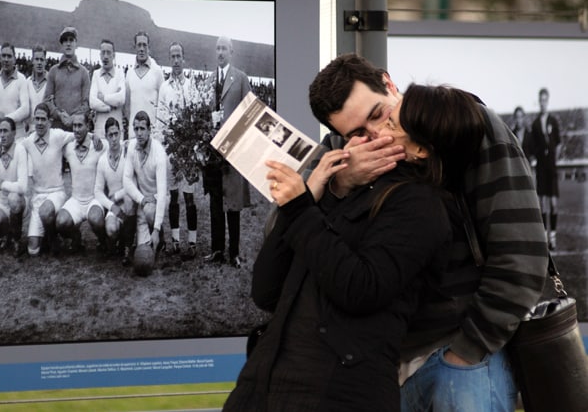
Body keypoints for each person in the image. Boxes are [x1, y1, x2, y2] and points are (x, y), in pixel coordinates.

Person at [224, 83, 490, 410]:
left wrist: (300, 208)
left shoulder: (424, 208)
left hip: (337, 393)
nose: (370, 135)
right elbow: (265, 290)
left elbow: (361, 288)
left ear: (421, 150)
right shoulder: (349, 184)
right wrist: (317, 192)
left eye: (388, 123)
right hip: (261, 387)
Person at [307, 54, 547, 412]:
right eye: (356, 132)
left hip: (462, 352)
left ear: (389, 85)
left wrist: (466, 351)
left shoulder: (468, 125)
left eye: (378, 115)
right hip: (375, 365)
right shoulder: (338, 154)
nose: (376, 136)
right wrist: (341, 184)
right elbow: (285, 232)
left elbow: (521, 254)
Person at [21, 102, 101, 256]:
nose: (39, 123)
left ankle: (53, 240)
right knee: (33, 250)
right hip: (38, 196)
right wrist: (1, 148)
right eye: (36, 119)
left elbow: (78, 134)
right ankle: (45, 235)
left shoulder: (57, 135)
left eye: (43, 119)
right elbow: (16, 146)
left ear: (50, 121)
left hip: (56, 193)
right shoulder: (29, 141)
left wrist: (93, 135)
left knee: (46, 212)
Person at [202, 36, 252, 267]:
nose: (220, 52)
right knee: (215, 202)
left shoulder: (240, 79)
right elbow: (203, 114)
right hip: (212, 151)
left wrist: (234, 139)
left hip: (233, 150)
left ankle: (234, 252)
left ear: (231, 52)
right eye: (218, 48)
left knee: (232, 203)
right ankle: (217, 250)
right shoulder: (209, 79)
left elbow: (249, 114)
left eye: (224, 48)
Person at [156, 42, 200, 260]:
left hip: (189, 152)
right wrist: (165, 148)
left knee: (189, 198)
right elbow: (160, 122)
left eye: (178, 56)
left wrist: (193, 145)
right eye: (172, 56)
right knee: (173, 197)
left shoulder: (192, 86)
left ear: (184, 59)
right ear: (169, 59)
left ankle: (192, 242)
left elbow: (198, 118)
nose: (175, 60)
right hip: (172, 150)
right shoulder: (164, 88)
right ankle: (174, 240)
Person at [56, 113, 109, 254]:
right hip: (76, 200)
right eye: (74, 125)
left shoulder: (98, 145)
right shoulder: (68, 148)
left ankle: (104, 241)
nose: (76, 129)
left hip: (95, 199)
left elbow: (118, 145)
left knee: (96, 219)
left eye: (80, 125)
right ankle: (76, 238)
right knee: (60, 222)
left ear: (88, 126)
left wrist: (93, 136)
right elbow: (52, 141)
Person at [122, 111, 168, 264]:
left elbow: (162, 194)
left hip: (156, 200)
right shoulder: (132, 147)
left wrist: (155, 229)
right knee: (127, 200)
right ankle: (127, 246)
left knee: (149, 212)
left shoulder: (159, 153)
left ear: (149, 130)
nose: (139, 133)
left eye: (142, 129)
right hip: (142, 199)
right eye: (136, 129)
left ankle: (159, 238)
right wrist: (141, 199)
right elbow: (126, 180)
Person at [0, 117, 28, 256]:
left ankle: (16, 240)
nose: (2, 134)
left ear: (14, 133)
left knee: (14, 199)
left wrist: (3, 185)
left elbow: (23, 187)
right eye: (0, 131)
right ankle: (7, 236)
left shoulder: (20, 150)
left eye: (6, 131)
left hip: (21, 201)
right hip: (2, 203)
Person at [92, 117, 134, 263]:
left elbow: (134, 182)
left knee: (129, 201)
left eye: (117, 134)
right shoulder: (103, 160)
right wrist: (112, 206)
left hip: (130, 200)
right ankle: (118, 241)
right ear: (106, 136)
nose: (114, 138)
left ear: (121, 133)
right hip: (114, 205)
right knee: (111, 229)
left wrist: (117, 195)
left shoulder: (128, 152)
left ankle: (128, 247)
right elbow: (97, 191)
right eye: (111, 135)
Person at [528, 87, 561, 250]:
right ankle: (544, 237)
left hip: (552, 168)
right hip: (541, 168)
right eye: (540, 100)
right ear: (538, 101)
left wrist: (555, 159)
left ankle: (553, 238)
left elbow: (559, 143)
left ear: (547, 101)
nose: (542, 103)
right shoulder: (534, 124)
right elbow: (533, 148)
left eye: (544, 100)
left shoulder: (553, 121)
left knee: (554, 204)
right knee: (542, 203)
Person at [43, 26, 91, 130]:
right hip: (56, 127)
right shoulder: (53, 71)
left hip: (77, 128)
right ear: (62, 44)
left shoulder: (84, 73)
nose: (68, 43)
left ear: (76, 43)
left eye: (71, 40)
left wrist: (73, 118)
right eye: (65, 40)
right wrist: (59, 115)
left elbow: (87, 103)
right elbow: (47, 100)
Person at [123, 31, 163, 139]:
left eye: (144, 45)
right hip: (133, 135)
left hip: (152, 135)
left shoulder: (157, 71)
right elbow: (127, 107)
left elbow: (162, 104)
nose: (141, 48)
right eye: (139, 45)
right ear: (134, 47)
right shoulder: (129, 73)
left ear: (148, 47)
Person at [0, 42, 30, 140]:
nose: (6, 59)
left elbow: (25, 109)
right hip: (0, 134)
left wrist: (6, 119)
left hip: (18, 136)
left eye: (9, 56)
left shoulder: (21, 79)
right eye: (3, 56)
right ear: (0, 58)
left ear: (14, 59)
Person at [89, 39, 126, 138]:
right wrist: (110, 106)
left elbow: (121, 98)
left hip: (116, 130)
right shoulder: (96, 74)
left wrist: (103, 98)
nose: (105, 56)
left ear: (114, 55)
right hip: (100, 130)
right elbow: (92, 102)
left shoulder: (120, 73)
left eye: (108, 52)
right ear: (100, 55)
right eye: (103, 52)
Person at [26, 45, 49, 133]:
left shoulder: (51, 82)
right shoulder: (27, 82)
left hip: (47, 131)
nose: (39, 62)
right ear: (32, 61)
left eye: (42, 59)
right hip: (30, 132)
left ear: (45, 62)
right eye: (36, 59)